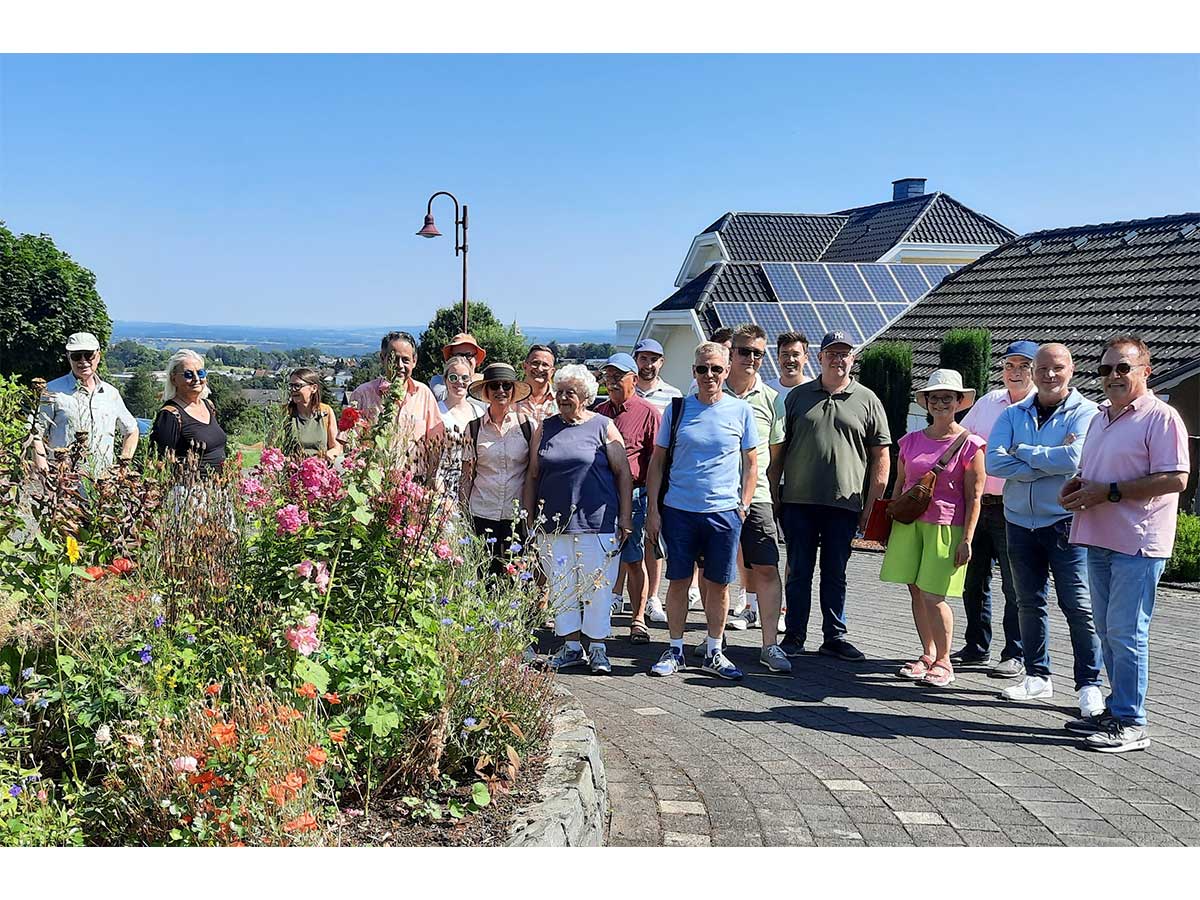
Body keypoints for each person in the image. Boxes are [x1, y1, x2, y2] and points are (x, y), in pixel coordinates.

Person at [1061, 336, 1189, 752]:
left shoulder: (1161, 417)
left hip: (1138, 542)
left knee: (1126, 632)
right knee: (1107, 631)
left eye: (1123, 368)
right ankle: (1116, 709)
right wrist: (1078, 486)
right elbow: (1097, 473)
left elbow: (1176, 479)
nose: (1113, 376)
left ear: (1145, 371)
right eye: (1105, 369)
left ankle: (1132, 722)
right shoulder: (1100, 417)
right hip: (1097, 536)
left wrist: (1109, 492)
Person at [985, 343, 1105, 719]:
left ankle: (1089, 684)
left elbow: (1076, 459)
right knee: (1028, 602)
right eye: (1043, 369)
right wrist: (1047, 460)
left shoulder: (1087, 413)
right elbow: (993, 462)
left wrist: (1024, 452)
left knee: (1079, 606)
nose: (1050, 375)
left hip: (1065, 522)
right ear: (1034, 373)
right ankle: (1038, 676)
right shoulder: (1013, 412)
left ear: (1071, 371)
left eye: (1058, 368)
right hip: (1019, 521)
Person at [768, 331, 891, 661]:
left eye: (845, 354)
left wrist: (873, 505)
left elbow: (881, 455)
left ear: (853, 359)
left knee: (835, 573)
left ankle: (834, 637)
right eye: (832, 353)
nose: (838, 359)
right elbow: (777, 452)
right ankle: (794, 634)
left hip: (844, 503)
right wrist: (774, 493)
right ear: (819, 357)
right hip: (798, 501)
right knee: (798, 571)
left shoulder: (868, 400)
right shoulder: (797, 397)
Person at [644, 342, 758, 680]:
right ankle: (675, 648)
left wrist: (744, 505)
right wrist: (653, 509)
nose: (709, 375)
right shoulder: (677, 410)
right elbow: (658, 462)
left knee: (719, 583)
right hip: (679, 510)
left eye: (716, 369)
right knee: (678, 581)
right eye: (702, 369)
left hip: (723, 512)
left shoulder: (740, 411)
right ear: (694, 371)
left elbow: (751, 463)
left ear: (726, 371)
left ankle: (714, 650)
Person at [524, 365, 633, 675]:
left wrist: (625, 516)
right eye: (560, 392)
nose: (564, 397)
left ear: (585, 396)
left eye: (570, 392)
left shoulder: (603, 426)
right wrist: (530, 518)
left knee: (597, 587)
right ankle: (571, 646)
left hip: (596, 522)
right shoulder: (544, 428)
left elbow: (623, 473)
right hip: (552, 524)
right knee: (561, 587)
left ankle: (597, 647)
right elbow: (533, 475)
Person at [881, 370, 986, 687]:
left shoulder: (971, 445)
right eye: (934, 397)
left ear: (959, 402)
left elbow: (975, 497)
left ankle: (944, 661)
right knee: (915, 590)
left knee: (934, 595)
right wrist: (888, 526)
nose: (941, 402)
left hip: (946, 527)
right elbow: (900, 485)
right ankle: (927, 655)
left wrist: (967, 540)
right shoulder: (910, 440)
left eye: (947, 397)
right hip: (909, 525)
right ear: (925, 402)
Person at [951, 341, 1037, 677]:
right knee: (974, 580)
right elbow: (963, 440)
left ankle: (1014, 653)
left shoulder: (1040, 406)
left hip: (1015, 507)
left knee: (1014, 586)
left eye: (1022, 366)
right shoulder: (988, 402)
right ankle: (976, 646)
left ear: (1034, 370)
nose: (1014, 372)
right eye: (1009, 365)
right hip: (978, 506)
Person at [721, 324, 791, 673]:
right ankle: (714, 641)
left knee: (766, 567)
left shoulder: (771, 400)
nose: (751, 358)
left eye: (758, 353)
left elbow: (775, 456)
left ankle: (769, 646)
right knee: (715, 572)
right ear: (731, 353)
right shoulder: (710, 392)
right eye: (745, 351)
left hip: (758, 496)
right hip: (714, 496)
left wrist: (765, 490)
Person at [594, 353, 661, 644]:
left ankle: (637, 619)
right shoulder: (597, 412)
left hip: (634, 496)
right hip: (599, 496)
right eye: (607, 378)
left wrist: (654, 505)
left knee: (633, 558)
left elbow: (658, 462)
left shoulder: (648, 413)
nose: (611, 383)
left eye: (617, 377)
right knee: (598, 559)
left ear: (633, 378)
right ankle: (595, 618)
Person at [34, 332, 138, 476]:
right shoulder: (52, 391)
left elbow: (132, 430)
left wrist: (123, 466)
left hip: (102, 483)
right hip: (65, 482)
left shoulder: (110, 394)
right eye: (76, 356)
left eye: (88, 355)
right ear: (68, 357)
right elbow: (35, 433)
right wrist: (44, 472)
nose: (83, 361)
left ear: (98, 356)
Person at [464, 363, 534, 569]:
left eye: (506, 385)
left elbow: (534, 471)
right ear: (486, 390)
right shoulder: (474, 428)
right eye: (495, 386)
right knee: (483, 577)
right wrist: (463, 515)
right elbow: (466, 474)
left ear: (513, 390)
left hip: (517, 516)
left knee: (516, 579)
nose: (501, 391)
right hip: (482, 512)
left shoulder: (527, 425)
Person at [346, 331, 445, 478]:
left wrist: (431, 479)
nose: (399, 366)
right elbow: (350, 443)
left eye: (405, 360)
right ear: (382, 358)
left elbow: (436, 443)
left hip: (413, 485)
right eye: (394, 359)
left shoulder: (424, 394)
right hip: (372, 484)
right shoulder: (363, 394)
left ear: (414, 360)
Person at [632, 337, 683, 612]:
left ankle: (652, 597)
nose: (648, 364)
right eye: (643, 358)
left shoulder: (674, 396)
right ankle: (622, 595)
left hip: (662, 478)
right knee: (628, 538)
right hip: (632, 478)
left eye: (654, 359)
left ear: (661, 362)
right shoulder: (628, 392)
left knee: (654, 537)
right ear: (636, 360)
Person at [150, 349, 226, 469]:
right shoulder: (170, 415)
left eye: (201, 373)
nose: (196, 378)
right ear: (174, 379)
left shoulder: (209, 406)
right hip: (188, 485)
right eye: (188, 374)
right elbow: (160, 461)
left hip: (217, 485)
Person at [437, 356, 483, 497]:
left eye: (464, 378)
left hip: (476, 490)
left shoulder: (479, 412)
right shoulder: (436, 412)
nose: (459, 382)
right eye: (453, 377)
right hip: (444, 489)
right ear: (445, 380)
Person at [283, 367, 341, 460]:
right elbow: (273, 447)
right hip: (292, 468)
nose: (293, 390)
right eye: (291, 386)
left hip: (319, 468)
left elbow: (336, 447)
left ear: (313, 388)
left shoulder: (326, 412)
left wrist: (324, 458)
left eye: (297, 386)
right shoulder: (284, 413)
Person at [429, 332, 487, 404]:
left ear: (476, 358)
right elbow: (443, 398)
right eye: (458, 355)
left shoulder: (486, 381)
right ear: (451, 358)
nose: (464, 359)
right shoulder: (438, 381)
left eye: (468, 355)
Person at [515, 344, 558, 425]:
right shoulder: (511, 399)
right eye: (535, 363)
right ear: (524, 366)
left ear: (552, 371)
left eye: (545, 365)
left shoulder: (560, 401)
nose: (539, 369)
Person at [765, 331, 811, 396]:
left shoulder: (815, 391)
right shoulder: (766, 390)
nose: (790, 360)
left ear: (806, 358)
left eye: (795, 355)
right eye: (785, 355)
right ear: (778, 357)